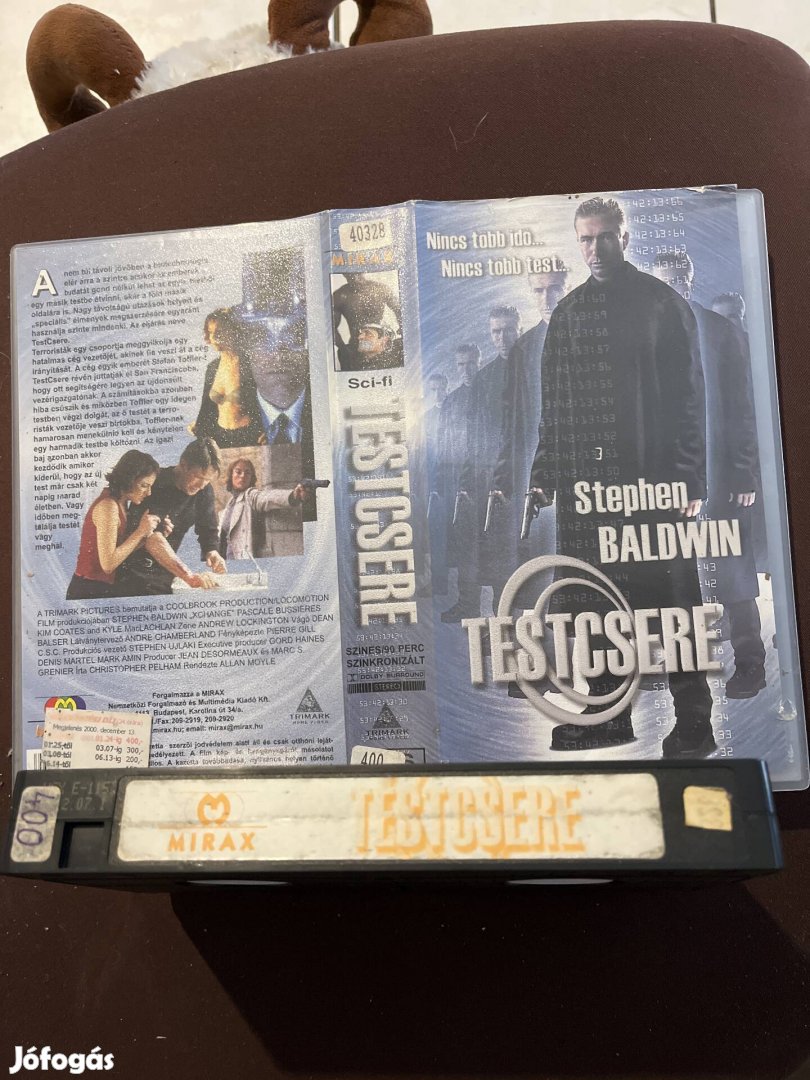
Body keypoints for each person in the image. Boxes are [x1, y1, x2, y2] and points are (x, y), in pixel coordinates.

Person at [530, 196, 714, 758]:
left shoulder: (662, 304)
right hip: (587, 487)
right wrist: (544, 476)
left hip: (652, 482)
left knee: (673, 602)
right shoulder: (568, 314)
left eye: (605, 237)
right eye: (585, 239)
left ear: (624, 237)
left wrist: (690, 478)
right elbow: (554, 408)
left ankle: (695, 722)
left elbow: (689, 397)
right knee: (593, 601)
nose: (595, 249)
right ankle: (606, 715)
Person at [654, 252, 765, 698]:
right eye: (663, 282)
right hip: (667, 477)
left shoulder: (721, 331)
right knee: (672, 570)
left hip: (720, 473)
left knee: (732, 567)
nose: (672, 288)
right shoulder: (644, 336)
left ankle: (751, 663)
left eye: (678, 279)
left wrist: (744, 473)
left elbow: (743, 406)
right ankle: (682, 667)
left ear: (690, 278)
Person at [457, 306, 523, 615]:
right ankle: (503, 619)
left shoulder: (534, 365)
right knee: (499, 553)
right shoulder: (484, 379)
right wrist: (467, 480)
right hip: (495, 479)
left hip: (528, 473)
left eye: (508, 329)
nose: (502, 337)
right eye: (496, 331)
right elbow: (473, 435)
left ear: (519, 328)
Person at [117, 438, 226, 595]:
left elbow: (208, 528)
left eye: (207, 480)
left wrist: (212, 551)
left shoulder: (204, 490)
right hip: (133, 570)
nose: (201, 486)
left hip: (166, 570)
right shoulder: (154, 483)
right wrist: (188, 576)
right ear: (183, 464)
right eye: (199, 477)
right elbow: (152, 538)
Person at [66, 449, 162, 600]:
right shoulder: (108, 506)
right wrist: (140, 531)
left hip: (99, 587)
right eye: (144, 485)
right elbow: (108, 564)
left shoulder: (121, 504)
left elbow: (118, 552)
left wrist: (145, 537)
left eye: (150, 486)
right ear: (129, 479)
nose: (148, 493)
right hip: (88, 588)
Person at [435, 343, 481, 622]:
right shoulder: (451, 402)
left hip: (486, 481)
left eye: (471, 363)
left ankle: (499, 608)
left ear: (479, 362)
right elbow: (443, 445)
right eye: (461, 365)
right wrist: (442, 485)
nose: (466, 370)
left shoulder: (490, 392)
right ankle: (468, 605)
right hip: (459, 487)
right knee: (464, 547)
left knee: (490, 546)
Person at [190, 308, 266, 448]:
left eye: (219, 331)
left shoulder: (251, 363)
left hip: (249, 436)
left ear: (233, 331)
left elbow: (273, 401)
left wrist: (269, 429)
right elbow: (207, 408)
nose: (214, 337)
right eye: (211, 332)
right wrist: (199, 426)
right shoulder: (212, 368)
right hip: (219, 437)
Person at [218, 457, 310, 560]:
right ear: (231, 475)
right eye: (238, 472)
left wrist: (293, 495)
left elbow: (267, 497)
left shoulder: (250, 495)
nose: (243, 476)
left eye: (247, 473)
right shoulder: (230, 503)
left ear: (251, 477)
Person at [332, 272, 402, 370]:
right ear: (344, 275)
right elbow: (330, 328)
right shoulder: (340, 296)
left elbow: (400, 310)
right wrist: (343, 349)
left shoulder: (380, 289)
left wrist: (403, 329)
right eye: (350, 276)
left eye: (358, 274)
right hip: (355, 346)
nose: (355, 279)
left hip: (378, 343)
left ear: (364, 271)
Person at [424, 372, 449, 593]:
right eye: (433, 389)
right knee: (437, 535)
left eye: (441, 388)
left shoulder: (455, 410)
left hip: (453, 482)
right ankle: (439, 583)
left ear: (447, 388)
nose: (438, 393)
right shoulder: (426, 418)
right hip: (434, 485)